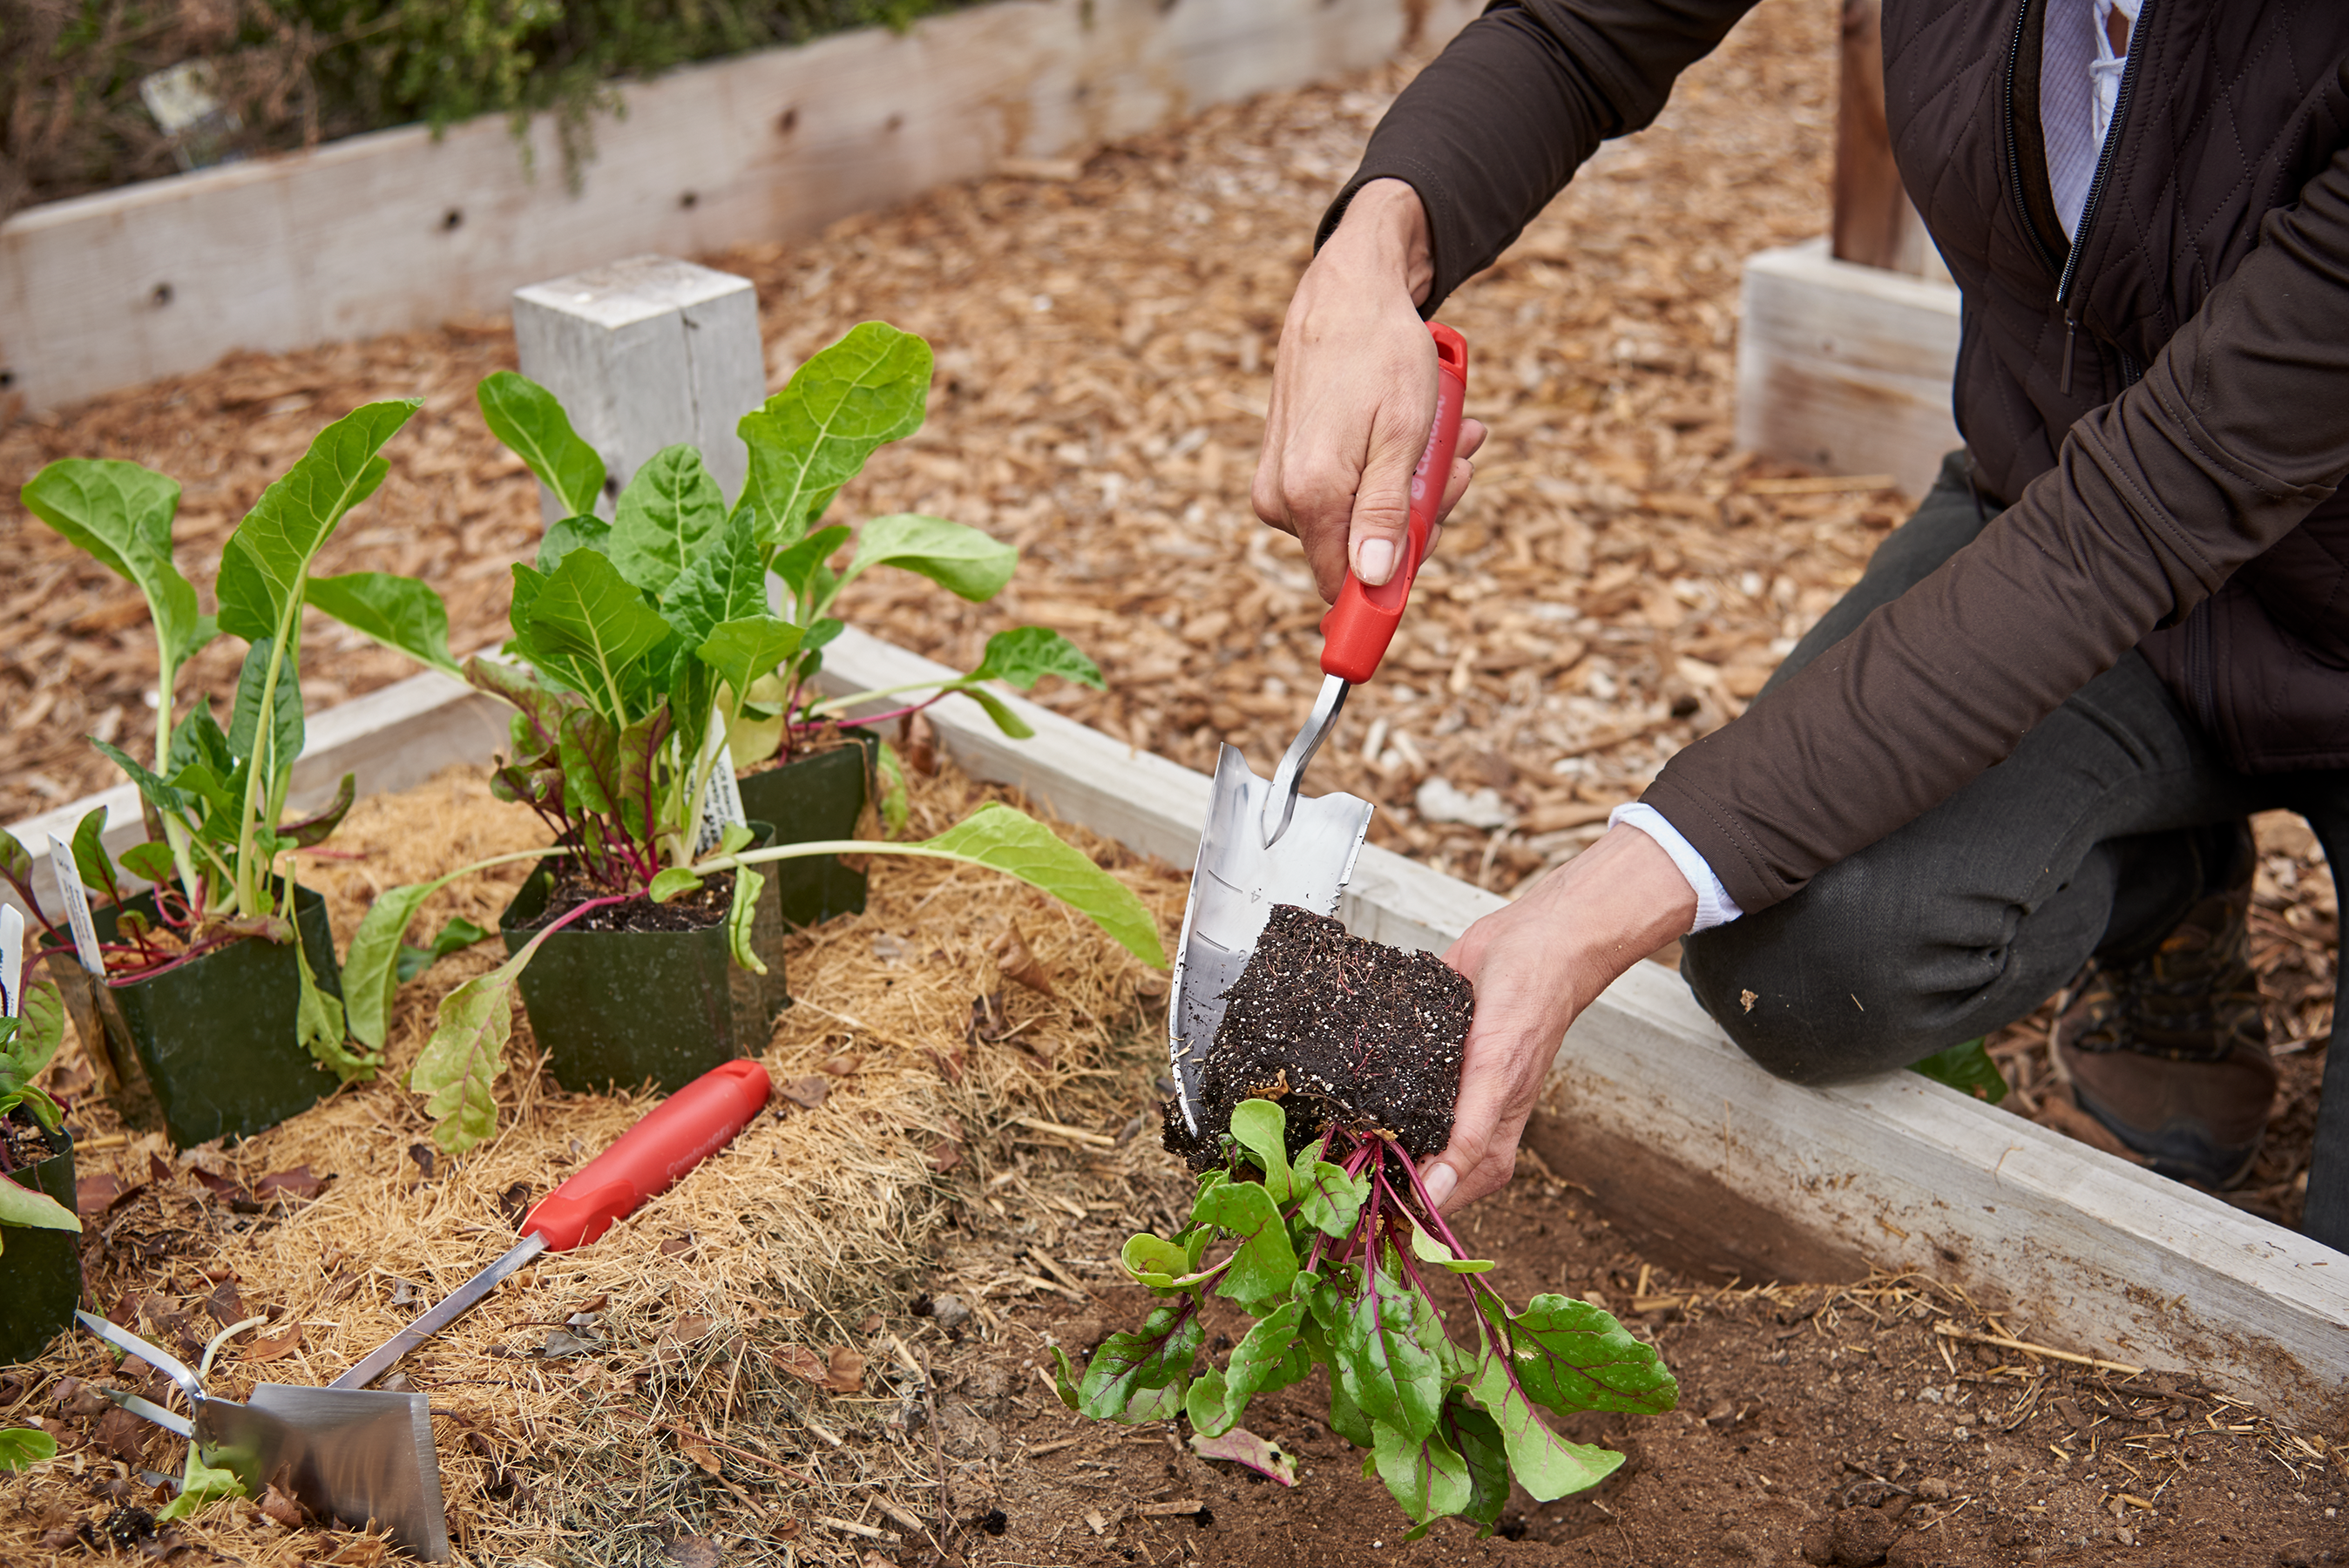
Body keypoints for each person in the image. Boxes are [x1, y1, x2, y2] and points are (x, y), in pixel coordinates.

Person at [1250, 0, 2349, 1246]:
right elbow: (1576, 34)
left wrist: (1594, 904)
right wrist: (1370, 251)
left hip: (2186, 553)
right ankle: (2169, 887)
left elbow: (2153, 509)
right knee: (1809, 956)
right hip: (2066, 530)